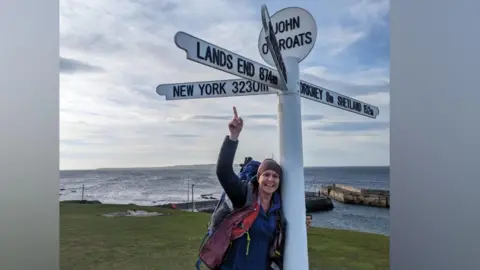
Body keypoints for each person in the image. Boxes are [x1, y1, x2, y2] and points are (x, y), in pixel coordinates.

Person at [198, 106, 310, 270]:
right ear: (258, 178)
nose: (270, 179)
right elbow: (223, 171)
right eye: (266, 175)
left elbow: (281, 244)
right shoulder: (243, 196)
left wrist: (301, 227)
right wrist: (233, 136)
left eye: (275, 176)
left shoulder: (277, 210)